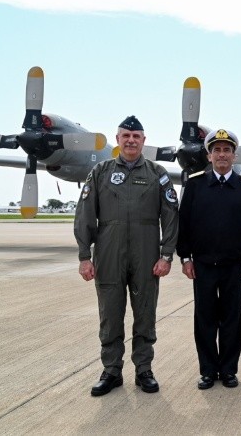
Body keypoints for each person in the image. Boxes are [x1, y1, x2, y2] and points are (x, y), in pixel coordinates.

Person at [74, 115, 179, 396]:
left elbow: (170, 216)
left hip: (146, 253)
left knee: (145, 313)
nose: (131, 141)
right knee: (110, 313)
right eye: (125, 136)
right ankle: (111, 371)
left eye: (136, 137)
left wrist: (166, 255)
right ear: (117, 140)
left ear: (144, 141)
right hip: (108, 251)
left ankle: (144, 370)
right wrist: (85, 256)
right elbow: (85, 215)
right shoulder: (100, 172)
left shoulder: (158, 174)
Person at [176, 129, 241, 390]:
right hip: (202, 265)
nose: (222, 154)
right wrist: (185, 258)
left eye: (227, 150)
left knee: (231, 320)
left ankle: (228, 370)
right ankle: (207, 370)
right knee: (204, 319)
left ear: (234, 155)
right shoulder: (194, 185)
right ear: (209, 155)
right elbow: (185, 224)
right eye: (217, 150)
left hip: (233, 266)